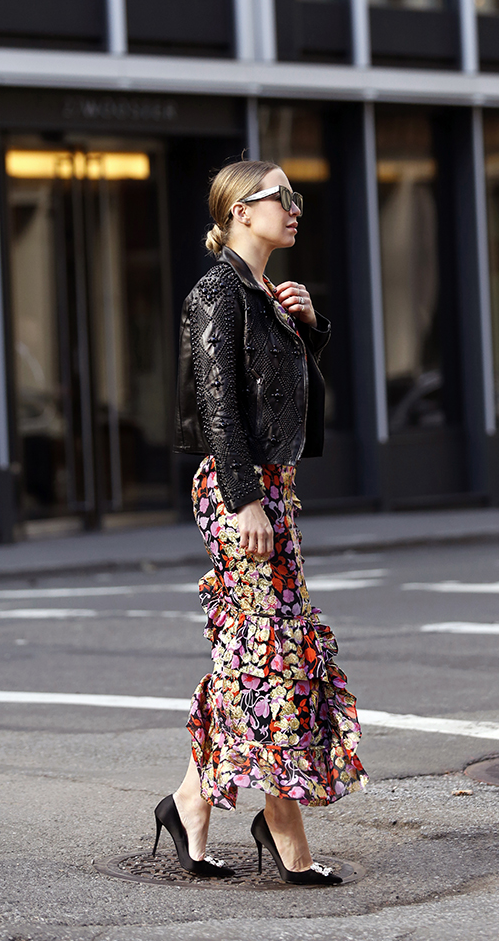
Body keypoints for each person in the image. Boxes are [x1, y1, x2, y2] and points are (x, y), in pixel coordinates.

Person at [154, 158, 367, 885]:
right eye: (281, 195)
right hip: (241, 491)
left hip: (272, 489)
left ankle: (190, 801)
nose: (295, 206)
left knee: (253, 649)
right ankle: (282, 825)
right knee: (272, 655)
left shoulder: (266, 294)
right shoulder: (218, 291)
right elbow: (217, 405)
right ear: (241, 210)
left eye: (295, 195)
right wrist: (244, 497)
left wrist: (310, 328)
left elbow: (284, 395)